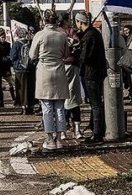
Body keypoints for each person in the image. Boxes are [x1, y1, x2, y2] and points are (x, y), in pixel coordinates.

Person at [30, 10, 69, 151]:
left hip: (44, 71)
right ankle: (59, 138)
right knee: (59, 107)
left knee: (46, 108)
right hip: (59, 69)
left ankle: (50, 138)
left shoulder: (40, 35)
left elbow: (32, 55)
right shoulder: (62, 36)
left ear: (44, 21)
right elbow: (66, 54)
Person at [75, 11, 106, 144]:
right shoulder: (95, 34)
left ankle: (97, 133)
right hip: (97, 72)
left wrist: (75, 52)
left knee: (95, 103)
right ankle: (96, 128)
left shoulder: (88, 36)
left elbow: (84, 57)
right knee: (97, 102)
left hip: (91, 72)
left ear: (80, 22)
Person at [59, 13, 83, 140]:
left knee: (69, 98)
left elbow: (77, 43)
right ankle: (68, 129)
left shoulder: (70, 32)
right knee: (68, 99)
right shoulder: (61, 32)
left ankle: (72, 129)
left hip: (67, 66)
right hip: (63, 65)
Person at [10, 28, 33, 115]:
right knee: (30, 87)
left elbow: (12, 56)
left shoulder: (17, 44)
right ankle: (31, 106)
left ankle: (23, 106)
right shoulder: (30, 43)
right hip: (30, 68)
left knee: (20, 88)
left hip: (19, 69)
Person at [0, 29, 14, 108]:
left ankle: (14, 99)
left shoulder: (7, 45)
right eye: (2, 37)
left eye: (4, 37)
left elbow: (9, 55)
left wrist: (7, 59)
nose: (3, 38)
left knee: (11, 83)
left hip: (5, 67)